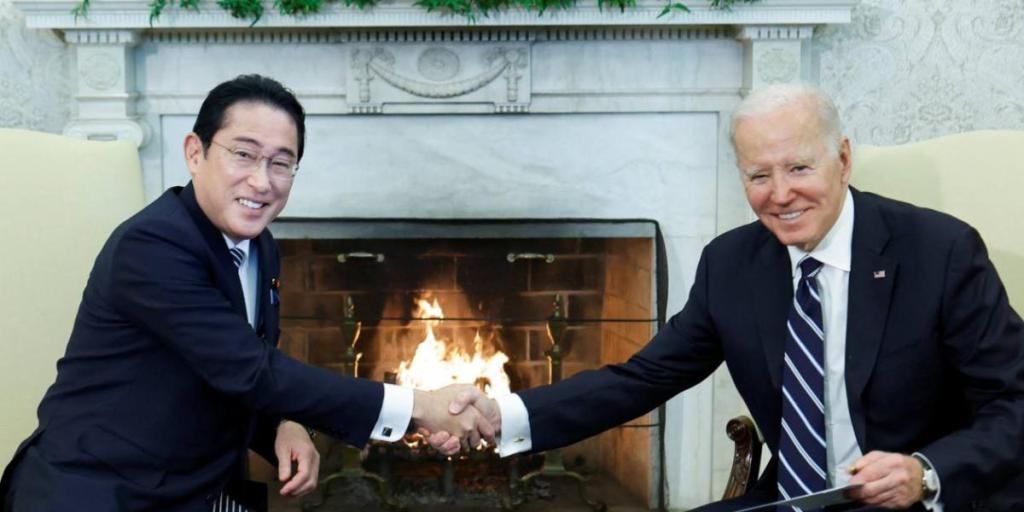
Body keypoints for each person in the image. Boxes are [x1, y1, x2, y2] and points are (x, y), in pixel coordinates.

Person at [435, 84, 1024, 511]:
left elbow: (1015, 401)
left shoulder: (939, 251)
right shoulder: (732, 263)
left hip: (919, 504)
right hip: (793, 502)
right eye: (758, 175)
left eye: (799, 167)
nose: (780, 194)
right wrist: (501, 415)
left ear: (843, 158)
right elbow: (640, 378)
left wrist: (925, 473)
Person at [0, 74, 490, 512]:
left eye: (282, 163)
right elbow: (252, 370)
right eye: (243, 153)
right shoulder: (152, 245)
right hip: (102, 490)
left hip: (201, 487)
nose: (262, 181)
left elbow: (232, 369)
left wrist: (284, 424)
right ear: (195, 152)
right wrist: (417, 407)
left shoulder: (261, 247)